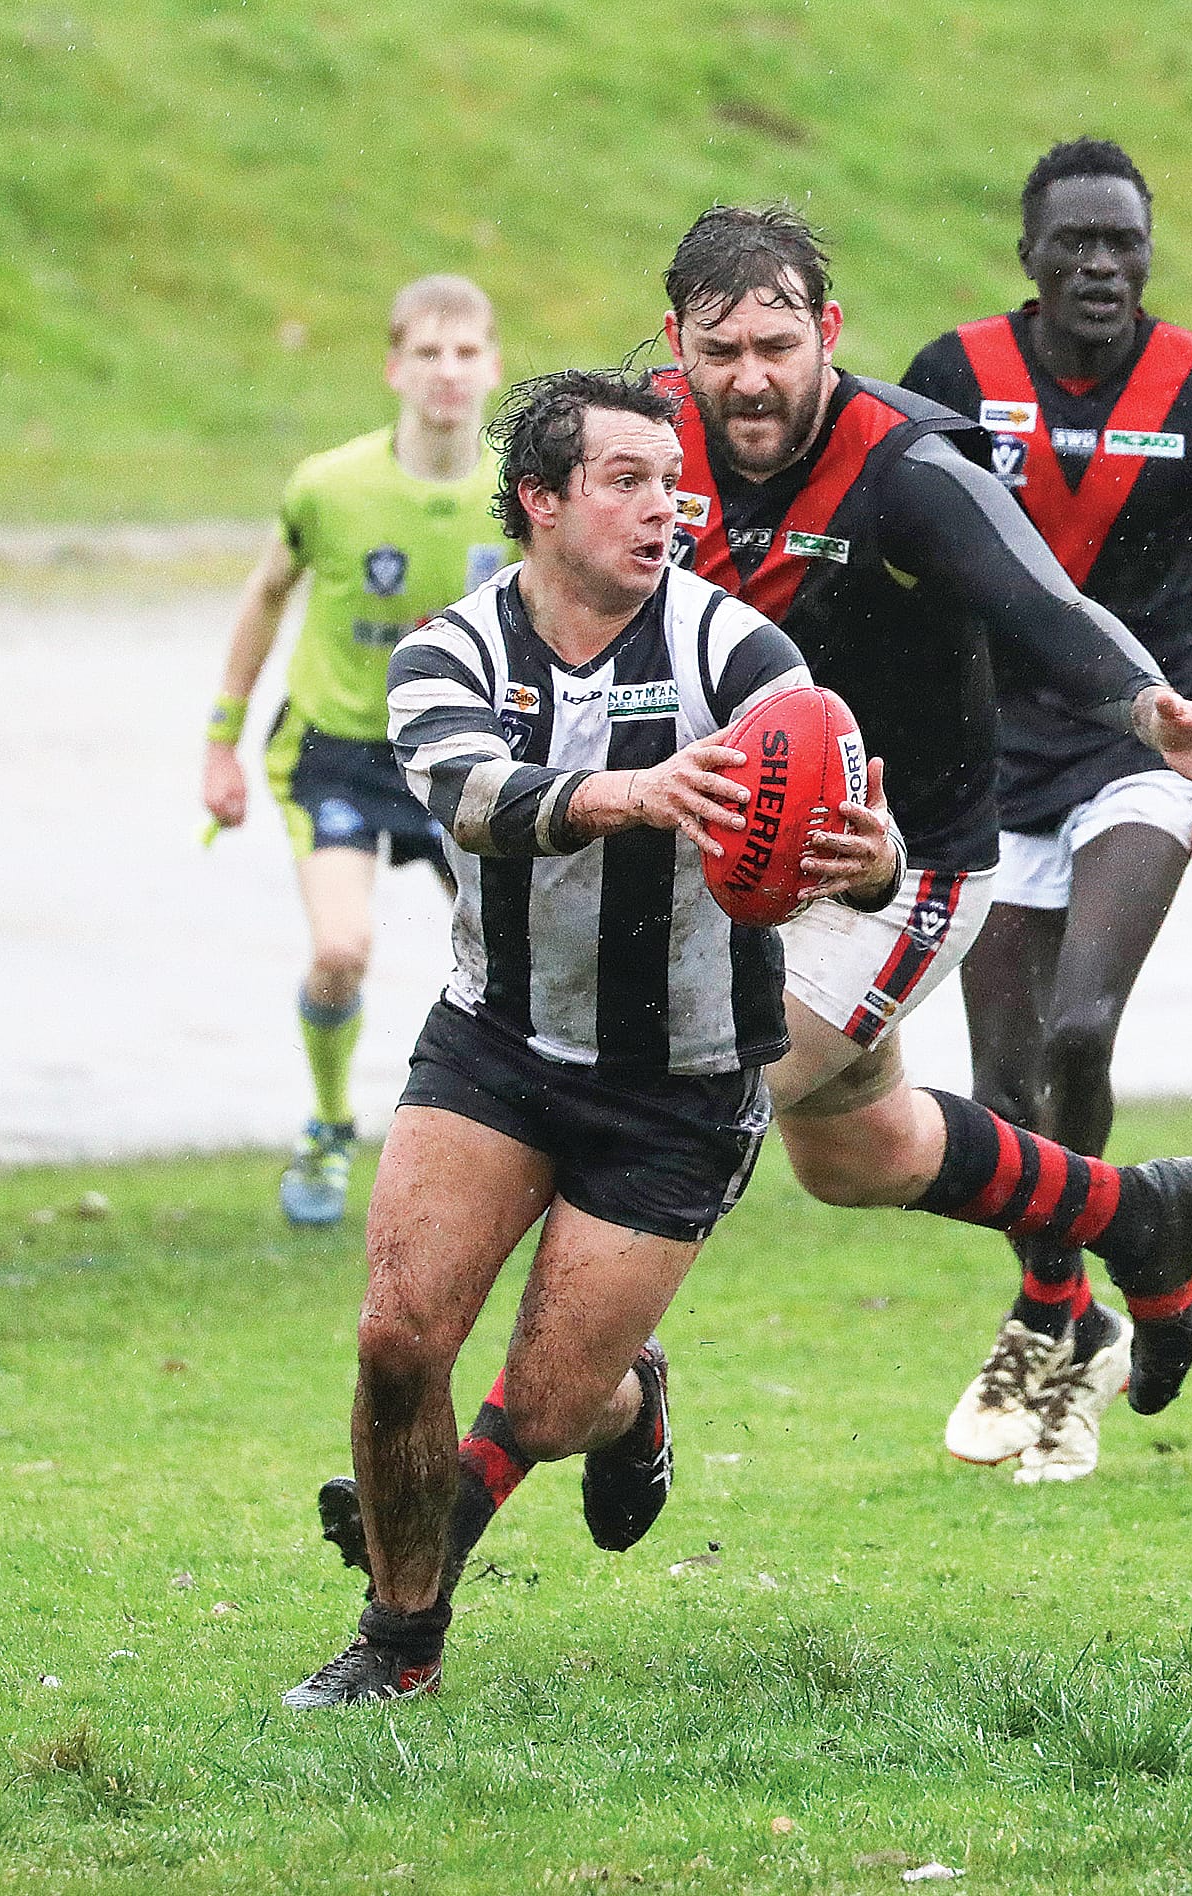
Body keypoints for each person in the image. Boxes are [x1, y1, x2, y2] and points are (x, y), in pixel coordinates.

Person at [311, 208, 1192, 1613]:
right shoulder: (648, 447)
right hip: (724, 839)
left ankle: (473, 1487)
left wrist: (1143, 704)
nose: (749, 378)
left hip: (897, 858)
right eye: (719, 348)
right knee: (854, 1153)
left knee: (686, 1087)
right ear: (677, 341)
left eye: (778, 345)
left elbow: (1040, 604)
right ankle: (1133, 1212)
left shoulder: (911, 466)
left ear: (831, 336)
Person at [283, 366, 903, 1704]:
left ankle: (630, 1400)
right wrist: (634, 793)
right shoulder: (452, 649)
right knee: (398, 1341)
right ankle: (402, 1651)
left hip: (678, 1080)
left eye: (672, 487)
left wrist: (865, 853)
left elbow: (840, 820)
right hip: (496, 1044)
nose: (662, 510)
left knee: (552, 1410)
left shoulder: (735, 651)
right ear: (542, 500)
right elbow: (467, 793)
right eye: (626, 482)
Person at [902, 139, 1192, 1483]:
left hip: (1152, 743)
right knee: (998, 1096)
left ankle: (1064, 1323)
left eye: (1124, 244)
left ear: (1149, 253)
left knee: (1080, 1030)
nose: (1101, 266)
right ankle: (1083, 1304)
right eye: (1075, 242)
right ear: (1026, 255)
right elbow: (887, 549)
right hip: (988, 762)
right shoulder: (954, 379)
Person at [202, 275, 517, 1226]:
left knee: (523, 956)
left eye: (467, 354)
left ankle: (520, 1138)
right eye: (428, 353)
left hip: (460, 755)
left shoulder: (522, 493)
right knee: (342, 948)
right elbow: (265, 594)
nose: (448, 373)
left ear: (495, 366)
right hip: (337, 750)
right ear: (393, 367)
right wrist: (220, 743)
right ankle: (332, 1124)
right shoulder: (329, 486)